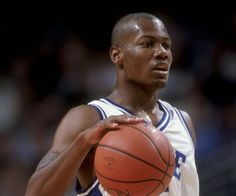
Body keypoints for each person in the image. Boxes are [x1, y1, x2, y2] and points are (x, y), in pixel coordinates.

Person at [26, 12, 199, 196]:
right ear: (117, 55)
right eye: (147, 43)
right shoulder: (88, 118)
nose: (162, 52)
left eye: (166, 45)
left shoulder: (183, 121)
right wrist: (83, 142)